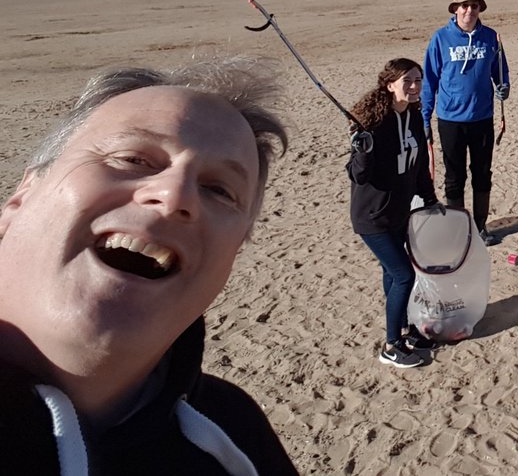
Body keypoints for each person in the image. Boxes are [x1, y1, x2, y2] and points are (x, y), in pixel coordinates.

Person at [0, 57, 298, 474]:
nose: (175, 196)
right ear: (21, 196)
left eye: (218, 190)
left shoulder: (236, 434)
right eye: (133, 159)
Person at [347, 58, 440, 369]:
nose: (414, 87)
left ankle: (403, 330)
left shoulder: (413, 117)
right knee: (404, 275)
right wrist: (362, 150)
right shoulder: (373, 124)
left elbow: (417, 167)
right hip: (372, 217)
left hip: (400, 212)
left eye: (418, 80)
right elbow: (359, 176)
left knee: (393, 273)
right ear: (389, 85)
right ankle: (391, 345)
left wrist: (429, 199)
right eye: (407, 81)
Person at [422, 0, 510, 246]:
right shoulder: (440, 39)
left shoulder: (491, 37)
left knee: (482, 174)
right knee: (454, 177)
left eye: (474, 6)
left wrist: (504, 89)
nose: (469, 10)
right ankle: (458, 230)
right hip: (450, 120)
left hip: (482, 118)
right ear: (455, 9)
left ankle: (480, 227)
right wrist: (424, 119)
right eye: (464, 6)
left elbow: (500, 71)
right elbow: (429, 81)